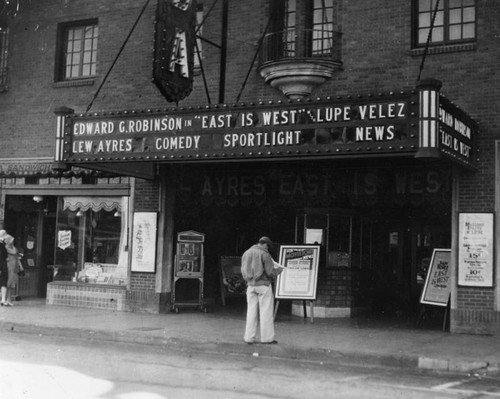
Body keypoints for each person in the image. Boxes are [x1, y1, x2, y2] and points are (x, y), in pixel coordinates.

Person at [241, 236, 283, 344]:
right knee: (266, 312)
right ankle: (267, 338)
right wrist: (279, 270)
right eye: (268, 247)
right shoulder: (265, 254)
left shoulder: (246, 253)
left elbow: (243, 269)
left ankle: (249, 338)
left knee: (251, 312)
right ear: (265, 244)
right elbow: (270, 272)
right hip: (263, 286)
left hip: (250, 285)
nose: (268, 249)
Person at [3, 233, 23, 306]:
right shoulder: (5, 249)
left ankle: (9, 299)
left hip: (14, 268)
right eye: (11, 241)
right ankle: (4, 299)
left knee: (11, 284)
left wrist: (20, 267)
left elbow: (17, 258)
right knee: (7, 284)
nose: (13, 242)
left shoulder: (14, 248)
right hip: (8, 267)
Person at [0, 229, 10, 306]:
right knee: (3, 282)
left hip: (3, 266)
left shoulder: (3, 244)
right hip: (2, 266)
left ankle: (3, 299)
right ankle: (3, 299)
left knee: (3, 282)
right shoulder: (1, 245)